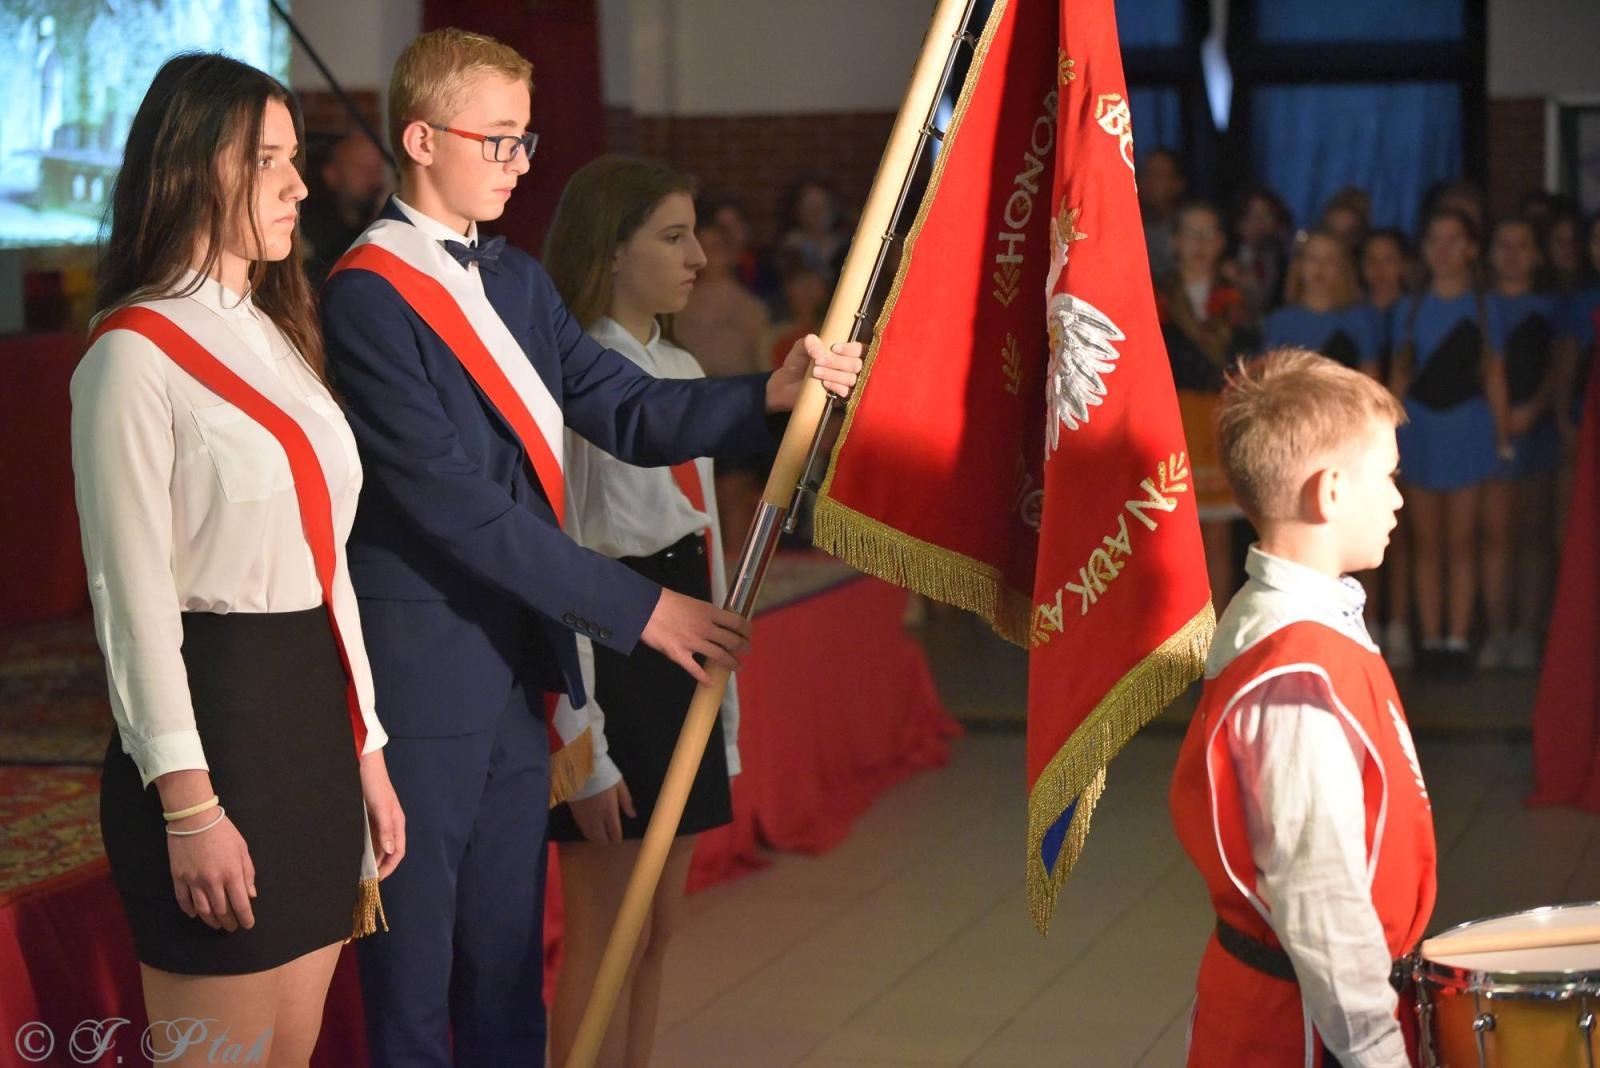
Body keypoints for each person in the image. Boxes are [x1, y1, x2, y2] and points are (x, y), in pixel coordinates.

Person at [316, 29, 861, 1066]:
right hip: (425, 670)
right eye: (500, 141)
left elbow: (627, 408)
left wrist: (767, 394)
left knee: (508, 970)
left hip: (521, 667)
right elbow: (456, 505)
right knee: (415, 983)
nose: (520, 166)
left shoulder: (518, 281)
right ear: (422, 139)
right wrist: (640, 609)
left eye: (528, 141)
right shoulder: (367, 294)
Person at [71, 53, 403, 1065]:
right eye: (269, 160)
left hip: (309, 736)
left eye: (296, 159)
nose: (299, 186)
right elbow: (130, 605)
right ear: (191, 168)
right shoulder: (129, 355)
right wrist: (190, 805)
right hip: (216, 744)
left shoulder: (274, 331)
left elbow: (328, 566)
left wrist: (369, 748)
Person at [1170, 347, 1436, 1068]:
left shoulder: (1293, 616)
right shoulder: (1296, 677)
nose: (1400, 498)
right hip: (1303, 1032)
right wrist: (1381, 1054)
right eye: (1388, 476)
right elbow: (1320, 899)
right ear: (1331, 494)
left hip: (1307, 1013)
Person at [538, 155, 737, 1068]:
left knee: (658, 930)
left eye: (695, 233)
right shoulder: (579, 380)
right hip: (612, 667)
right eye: (672, 236)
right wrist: (586, 744)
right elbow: (562, 568)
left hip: (682, 660)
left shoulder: (681, 364)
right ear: (611, 252)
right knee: (605, 933)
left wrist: (722, 710)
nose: (698, 255)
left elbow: (710, 553)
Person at [1389, 209, 1511, 676]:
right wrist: (1389, 435)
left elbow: (1494, 373)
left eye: (1453, 240)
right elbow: (1400, 373)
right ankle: (1431, 638)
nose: (1442, 250)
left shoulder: (1485, 305)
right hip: (1420, 426)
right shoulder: (1409, 306)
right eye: (1434, 240)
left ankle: (1458, 639)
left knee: (1463, 540)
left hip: (1468, 426)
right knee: (1424, 541)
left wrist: (1501, 437)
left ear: (1470, 248)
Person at [1156, 199, 1257, 613]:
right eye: (1190, 234)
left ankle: (1217, 628)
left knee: (1217, 534)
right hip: (1171, 418)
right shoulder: (1157, 294)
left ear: (1220, 242)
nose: (1199, 244)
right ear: (1175, 241)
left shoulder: (1236, 297)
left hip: (1218, 417)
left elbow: (1244, 357)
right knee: (1169, 533)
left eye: (1208, 234)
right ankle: (1173, 627)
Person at [1480, 217, 1563, 672]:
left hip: (1538, 429)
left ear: (1537, 254)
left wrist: (1534, 410)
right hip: (1489, 430)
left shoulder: (1552, 307)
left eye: (1522, 244)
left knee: (1532, 535)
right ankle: (1495, 630)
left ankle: (1527, 633)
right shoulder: (1480, 305)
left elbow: (1560, 366)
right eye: (1503, 244)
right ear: (1490, 253)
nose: (1512, 253)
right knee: (1495, 537)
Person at [1359, 228, 1415, 667]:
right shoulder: (1356, 312)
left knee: (1406, 535)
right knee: (1364, 530)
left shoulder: (1413, 310)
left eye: (1389, 259)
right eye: (1372, 259)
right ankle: (1368, 620)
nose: (1381, 270)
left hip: (1414, 428)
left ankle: (1400, 625)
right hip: (1360, 430)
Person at [672, 216, 770, 378]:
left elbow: (763, 362)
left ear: (729, 253)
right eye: (703, 248)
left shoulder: (750, 306)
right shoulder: (677, 302)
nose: (707, 255)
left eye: (715, 248)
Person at [300, 130, 390, 284]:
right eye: (362, 169)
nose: (374, 178)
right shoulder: (311, 229)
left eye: (378, 169)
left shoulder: (390, 226)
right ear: (331, 174)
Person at [1138, 147, 1187, 280]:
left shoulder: (1188, 227)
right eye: (1146, 174)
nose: (1150, 181)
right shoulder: (1127, 228)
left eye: (1159, 175)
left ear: (1178, 184)